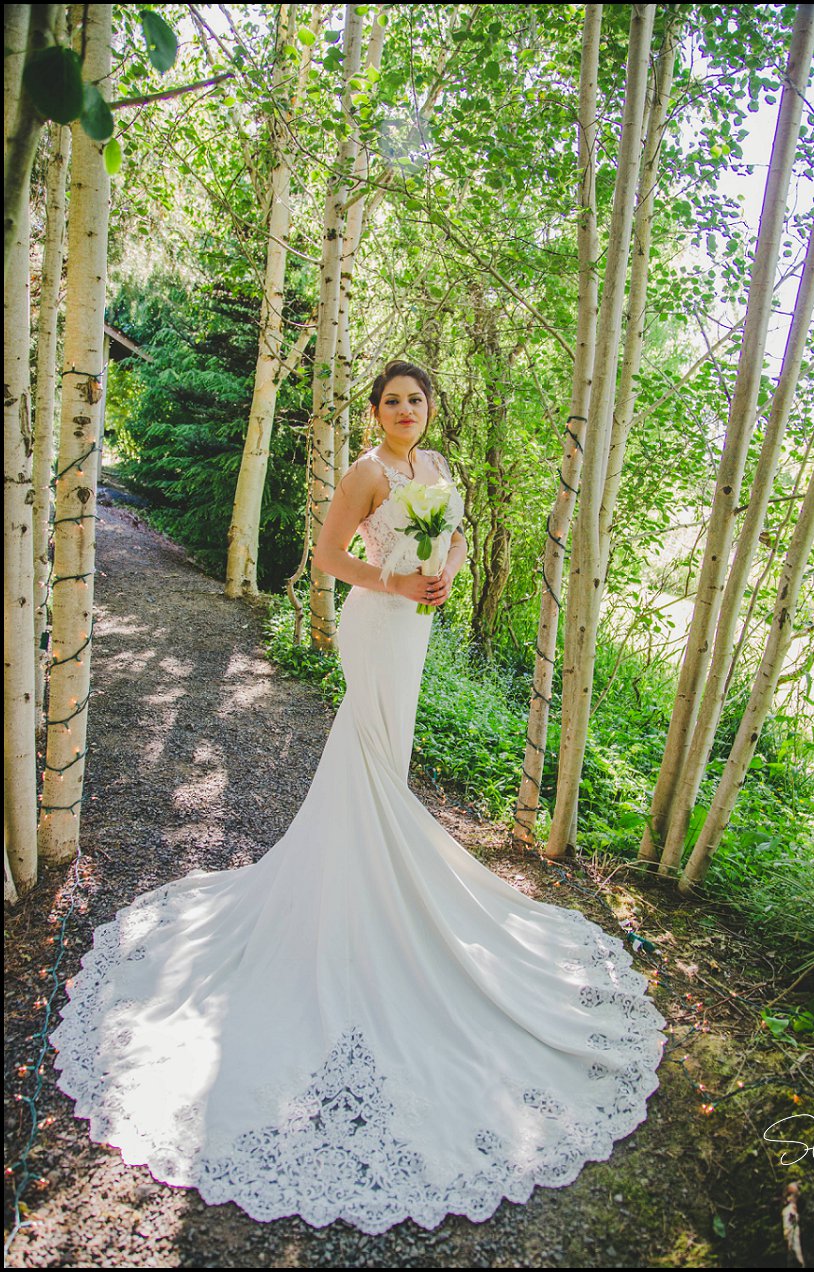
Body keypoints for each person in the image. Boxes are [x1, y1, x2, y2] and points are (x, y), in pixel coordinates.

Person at [50, 360, 665, 1234]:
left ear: (429, 409)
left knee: (389, 760)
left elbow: (457, 538)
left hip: (417, 626)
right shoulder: (367, 472)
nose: (405, 412)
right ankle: (359, 894)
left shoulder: (441, 466)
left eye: (415, 400)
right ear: (375, 413)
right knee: (368, 756)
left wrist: (445, 569)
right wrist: (398, 583)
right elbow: (332, 557)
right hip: (377, 626)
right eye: (391, 402)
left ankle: (374, 877)